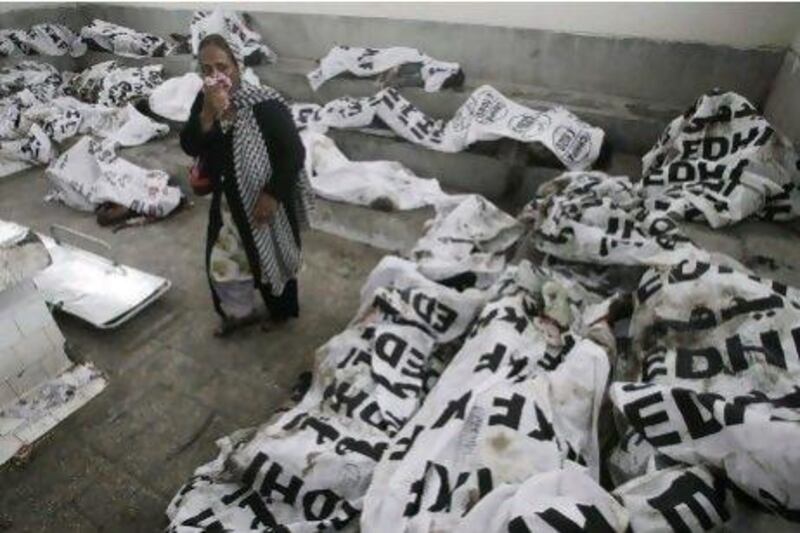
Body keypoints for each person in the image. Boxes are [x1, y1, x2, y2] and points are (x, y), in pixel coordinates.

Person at [181, 34, 314, 337]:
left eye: (222, 66)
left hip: (264, 201)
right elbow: (190, 145)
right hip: (228, 204)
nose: (216, 76)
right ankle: (240, 313)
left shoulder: (264, 104)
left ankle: (280, 313)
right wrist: (207, 115)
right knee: (223, 263)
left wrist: (273, 195)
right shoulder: (204, 102)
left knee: (273, 262)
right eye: (207, 70)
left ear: (237, 66)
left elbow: (294, 153)